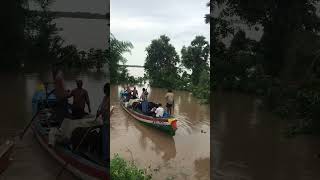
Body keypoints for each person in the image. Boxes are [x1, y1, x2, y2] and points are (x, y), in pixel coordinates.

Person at [96, 83, 110, 164]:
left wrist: (101, 111)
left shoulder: (109, 98)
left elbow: (105, 109)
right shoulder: (105, 98)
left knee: (106, 140)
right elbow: (101, 107)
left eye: (106, 90)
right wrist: (98, 112)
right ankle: (105, 156)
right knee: (105, 139)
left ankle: (106, 157)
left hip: (108, 122)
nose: (105, 91)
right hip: (105, 122)